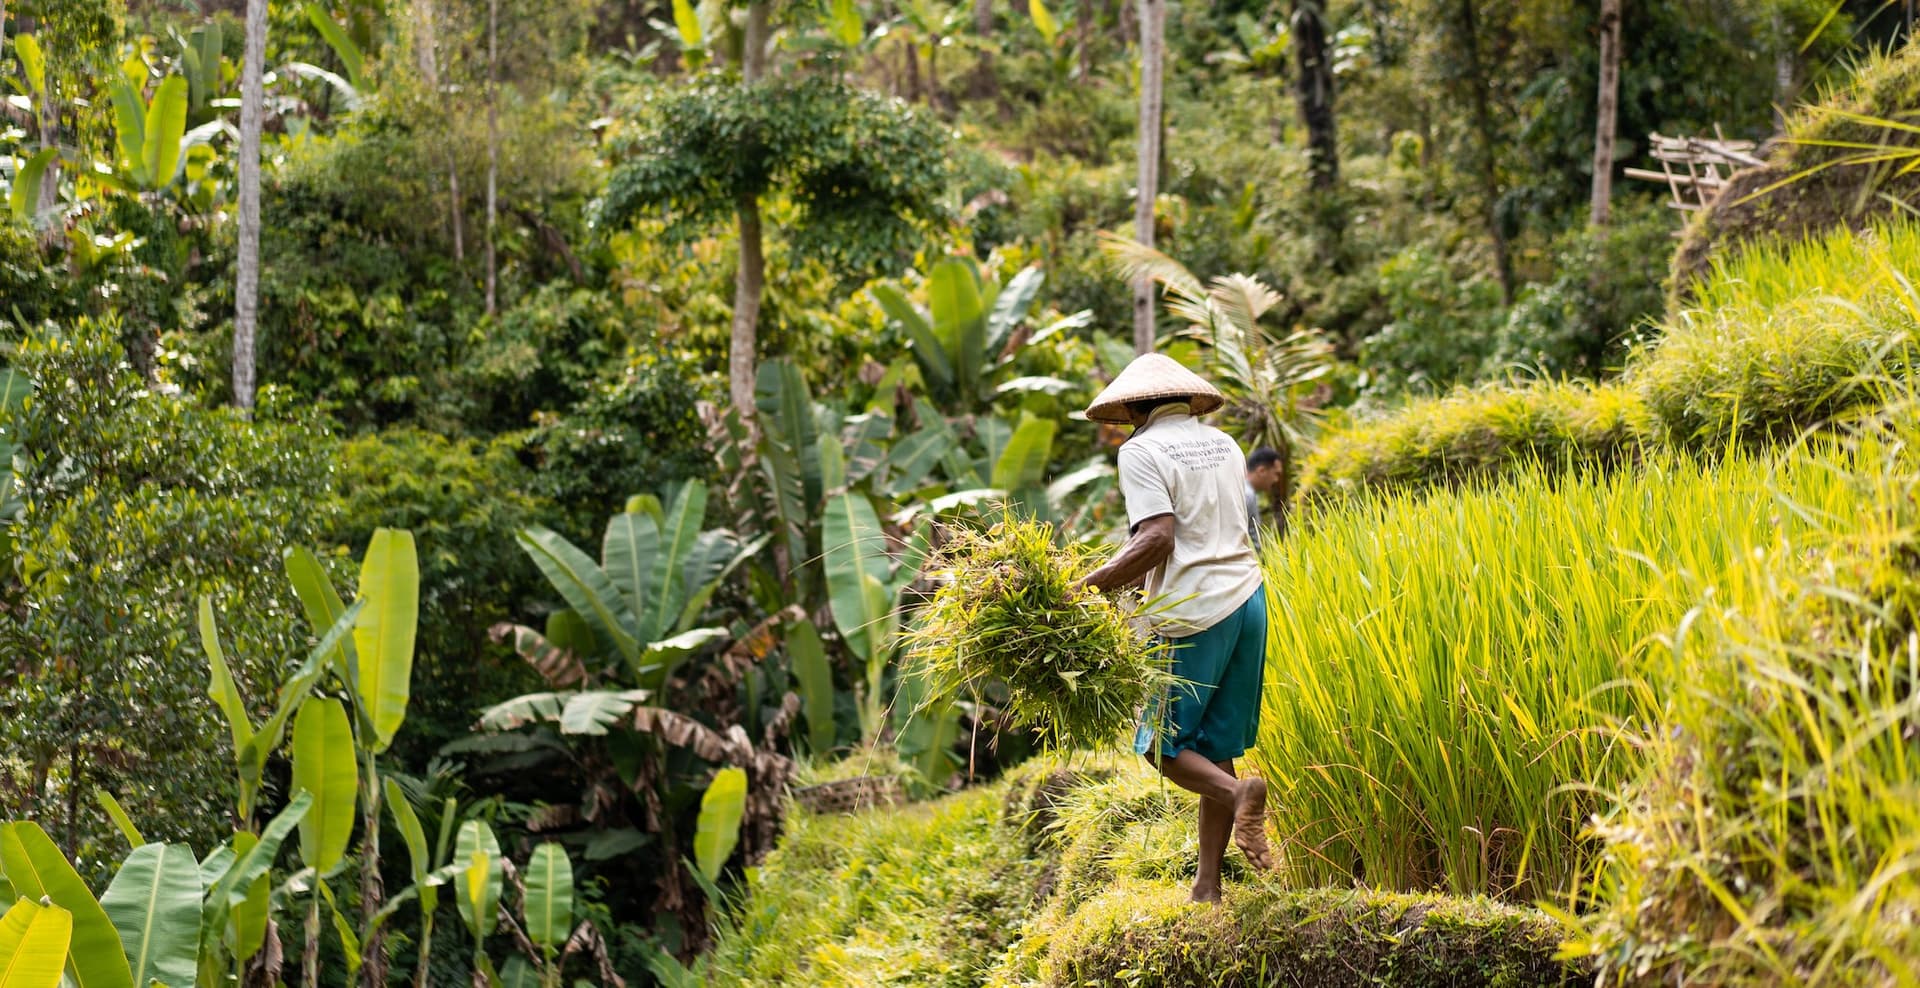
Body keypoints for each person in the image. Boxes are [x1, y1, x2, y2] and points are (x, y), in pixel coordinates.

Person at [1076, 353, 1273, 903]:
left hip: (1193, 612)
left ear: (1135, 408)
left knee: (1160, 747)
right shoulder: (1225, 444)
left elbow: (1158, 538)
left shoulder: (1140, 450)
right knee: (1213, 746)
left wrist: (1085, 589)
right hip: (1248, 600)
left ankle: (1240, 795)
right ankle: (1207, 887)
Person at [1244, 446, 1284, 548]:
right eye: (1276, 474)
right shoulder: (1247, 495)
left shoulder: (1246, 492)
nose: (1276, 480)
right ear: (1261, 471)